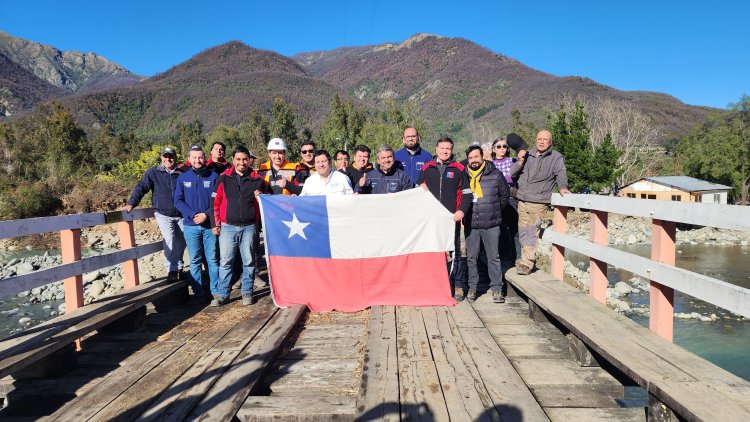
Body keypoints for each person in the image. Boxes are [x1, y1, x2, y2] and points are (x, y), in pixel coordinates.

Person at [212, 146, 271, 306]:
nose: (242, 162)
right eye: (238, 159)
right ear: (233, 160)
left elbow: (270, 197)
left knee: (249, 261)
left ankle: (247, 293)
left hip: (250, 226)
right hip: (227, 226)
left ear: (249, 160)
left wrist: (262, 196)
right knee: (225, 262)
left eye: (245, 159)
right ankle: (223, 295)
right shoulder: (223, 178)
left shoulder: (257, 179)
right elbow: (215, 202)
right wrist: (214, 223)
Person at [417, 137, 473, 299]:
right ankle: (431, 285)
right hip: (431, 220)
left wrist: (462, 211)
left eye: (448, 148)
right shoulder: (427, 168)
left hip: (451, 219)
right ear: (436, 149)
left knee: (455, 252)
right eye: (442, 148)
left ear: (452, 150)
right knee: (432, 251)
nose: (444, 151)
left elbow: (467, 194)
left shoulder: (459, 169)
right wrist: (420, 188)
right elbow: (418, 191)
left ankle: (457, 285)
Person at [510, 129, 570, 275]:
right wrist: (520, 161)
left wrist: (562, 187)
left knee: (531, 231)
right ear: (536, 140)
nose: (542, 142)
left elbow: (560, 173)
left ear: (550, 142)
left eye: (545, 139)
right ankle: (526, 259)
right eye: (539, 139)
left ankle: (526, 263)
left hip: (538, 201)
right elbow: (512, 173)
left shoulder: (555, 157)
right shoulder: (527, 155)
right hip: (522, 200)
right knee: (523, 232)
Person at [124, 147, 185, 282]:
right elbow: (142, 187)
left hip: (181, 214)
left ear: (175, 158)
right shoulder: (153, 172)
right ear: (161, 157)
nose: (168, 159)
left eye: (171, 156)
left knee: (182, 242)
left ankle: (180, 267)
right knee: (170, 239)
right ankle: (172, 270)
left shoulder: (182, 173)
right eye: (165, 156)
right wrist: (132, 203)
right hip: (163, 213)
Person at [462, 145, 510, 303]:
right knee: (471, 257)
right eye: (470, 158)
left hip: (491, 223)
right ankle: (472, 288)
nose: (473, 160)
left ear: (482, 157)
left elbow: (504, 195)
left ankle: (497, 288)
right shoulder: (464, 176)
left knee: (493, 257)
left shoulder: (495, 174)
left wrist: (494, 210)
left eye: (476, 157)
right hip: (471, 223)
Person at [174, 146, 219, 302]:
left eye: (200, 157)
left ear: (205, 158)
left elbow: (218, 200)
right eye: (194, 157)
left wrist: (206, 214)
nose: (197, 160)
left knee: (212, 259)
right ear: (189, 158)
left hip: (209, 226)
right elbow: (178, 201)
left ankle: (215, 290)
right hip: (190, 226)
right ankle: (198, 292)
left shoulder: (213, 177)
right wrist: (193, 214)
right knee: (195, 260)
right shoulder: (183, 178)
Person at [491, 137, 521, 277]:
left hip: (511, 198)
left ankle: (518, 257)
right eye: (499, 146)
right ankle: (503, 256)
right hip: (495, 200)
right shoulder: (489, 164)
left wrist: (503, 178)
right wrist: (507, 177)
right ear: (493, 149)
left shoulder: (513, 162)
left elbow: (516, 177)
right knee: (500, 228)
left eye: (504, 146)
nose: (502, 148)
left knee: (514, 228)